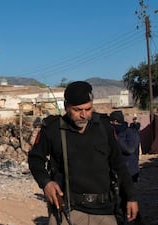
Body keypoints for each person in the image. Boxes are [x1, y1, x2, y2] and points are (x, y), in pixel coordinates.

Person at [28, 81, 139, 225]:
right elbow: (35, 159)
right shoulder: (53, 129)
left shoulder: (103, 127)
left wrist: (131, 197)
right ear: (66, 106)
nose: (84, 115)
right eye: (78, 110)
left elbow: (119, 164)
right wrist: (46, 183)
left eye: (88, 109)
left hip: (104, 211)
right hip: (68, 211)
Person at [109, 111, 140, 183]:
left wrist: (117, 138)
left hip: (130, 171)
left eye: (111, 121)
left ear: (115, 121)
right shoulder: (114, 132)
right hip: (117, 170)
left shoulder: (130, 132)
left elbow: (130, 149)